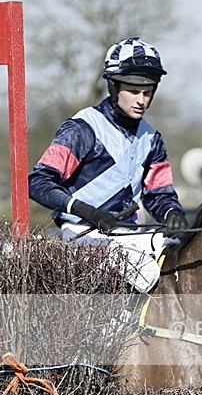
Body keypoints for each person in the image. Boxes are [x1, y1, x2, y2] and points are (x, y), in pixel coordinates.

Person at [29, 37, 188, 292]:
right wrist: (87, 211)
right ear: (113, 87)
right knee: (144, 272)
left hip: (129, 236)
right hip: (80, 234)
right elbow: (38, 182)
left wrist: (173, 214)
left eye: (148, 92)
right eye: (133, 91)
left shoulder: (152, 138)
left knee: (186, 254)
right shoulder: (82, 129)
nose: (142, 100)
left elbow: (160, 195)